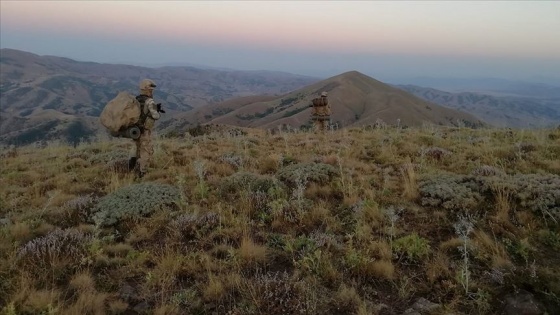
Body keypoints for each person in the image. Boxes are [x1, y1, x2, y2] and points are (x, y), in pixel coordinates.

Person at [132, 79, 164, 178]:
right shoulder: (149, 101)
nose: (151, 91)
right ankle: (143, 173)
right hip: (145, 131)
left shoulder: (136, 99)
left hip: (135, 130)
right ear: (147, 90)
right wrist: (156, 110)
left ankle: (133, 168)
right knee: (146, 150)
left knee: (137, 149)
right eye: (150, 90)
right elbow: (156, 116)